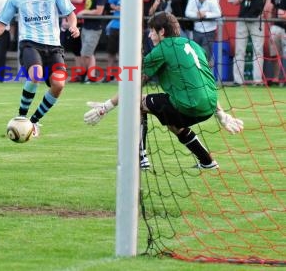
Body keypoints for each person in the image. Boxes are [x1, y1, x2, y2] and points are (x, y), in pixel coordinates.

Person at [83, 12, 244, 169]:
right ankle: (207, 161)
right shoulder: (193, 45)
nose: (149, 35)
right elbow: (203, 81)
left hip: (188, 105)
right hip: (209, 106)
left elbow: (132, 85)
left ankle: (139, 159)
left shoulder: (162, 49)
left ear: (162, 32)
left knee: (137, 103)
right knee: (173, 123)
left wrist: (105, 107)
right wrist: (221, 114)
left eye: (152, 31)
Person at [0, 0, 80, 137]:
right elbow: (1, 22)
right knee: (35, 74)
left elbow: (70, 14)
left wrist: (73, 26)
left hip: (53, 46)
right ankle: (21, 117)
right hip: (29, 43)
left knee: (58, 85)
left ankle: (33, 122)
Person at [231, 0, 271, 86]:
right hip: (242, 19)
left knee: (258, 51)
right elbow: (234, 1)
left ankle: (257, 80)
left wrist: (264, 13)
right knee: (239, 51)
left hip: (257, 20)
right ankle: (238, 80)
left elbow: (268, 0)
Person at [76, 0, 106, 82]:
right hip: (86, 26)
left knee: (86, 53)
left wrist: (83, 12)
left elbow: (99, 11)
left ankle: (90, 75)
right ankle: (90, 76)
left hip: (94, 28)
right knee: (89, 53)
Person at [62, 0, 88, 82]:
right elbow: (62, 4)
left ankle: (85, 74)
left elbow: (80, 0)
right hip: (70, 22)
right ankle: (79, 74)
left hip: (82, 21)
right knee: (75, 50)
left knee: (83, 49)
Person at [185, 0, 222, 66]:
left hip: (209, 31)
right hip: (196, 31)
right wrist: (198, 15)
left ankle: (206, 77)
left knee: (205, 56)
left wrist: (205, 14)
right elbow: (187, 13)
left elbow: (218, 13)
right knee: (195, 55)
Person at [266, 0, 286, 84]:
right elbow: (270, 9)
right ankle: (276, 78)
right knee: (275, 54)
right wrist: (269, 26)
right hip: (277, 27)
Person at [105, 0, 121, 82]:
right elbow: (111, 4)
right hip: (116, 24)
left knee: (123, 53)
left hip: (130, 26)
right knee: (111, 52)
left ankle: (121, 75)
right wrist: (117, 8)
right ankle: (109, 75)